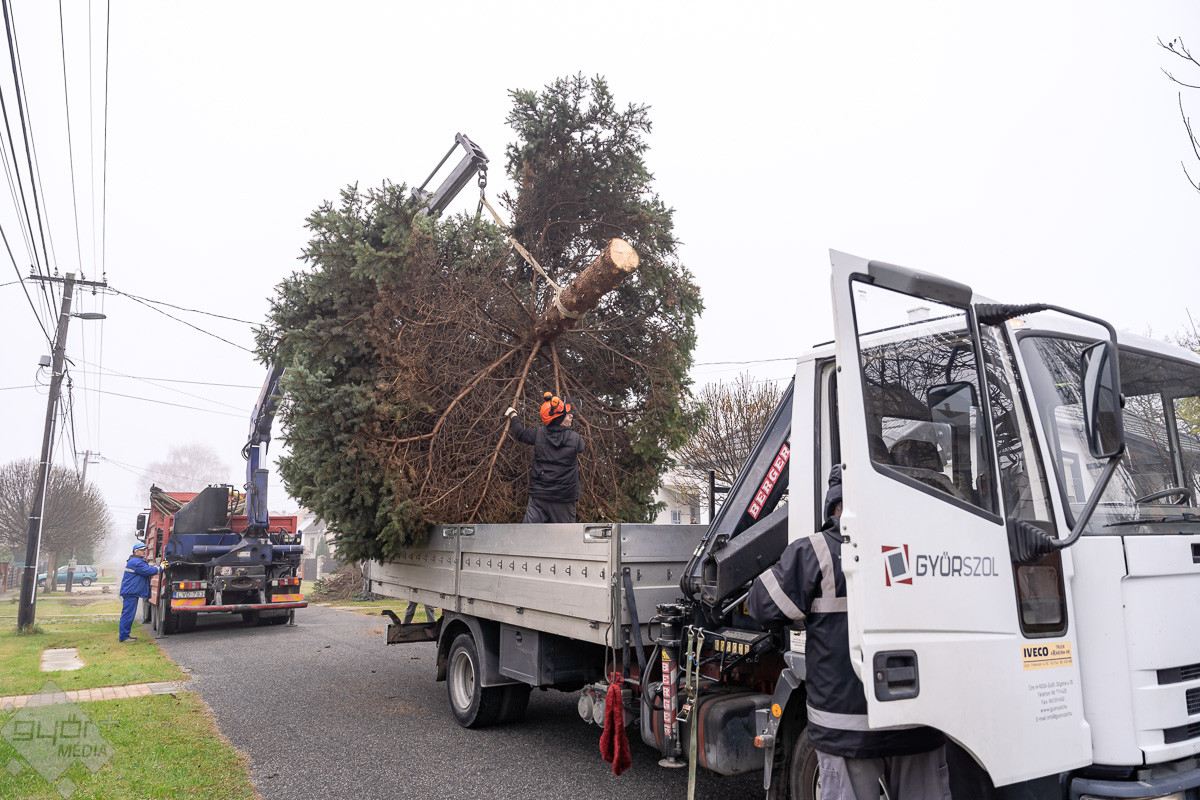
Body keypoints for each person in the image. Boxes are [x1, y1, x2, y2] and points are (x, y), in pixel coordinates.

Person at [747, 466, 950, 800]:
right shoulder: (918, 547)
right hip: (915, 719)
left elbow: (761, 605)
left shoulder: (816, 552)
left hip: (845, 726)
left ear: (835, 505)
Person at [505, 392, 585, 523]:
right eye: (567, 414)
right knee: (565, 535)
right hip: (564, 499)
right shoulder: (576, 439)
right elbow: (581, 448)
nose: (571, 415)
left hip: (539, 497)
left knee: (528, 534)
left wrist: (513, 415)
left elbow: (520, 434)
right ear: (559, 419)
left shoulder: (538, 435)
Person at [119, 543, 165, 643]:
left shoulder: (136, 561)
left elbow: (147, 569)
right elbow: (149, 571)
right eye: (141, 550)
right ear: (136, 552)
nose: (144, 551)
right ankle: (124, 637)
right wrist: (161, 567)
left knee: (128, 614)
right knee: (128, 615)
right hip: (130, 592)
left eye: (145, 549)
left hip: (131, 592)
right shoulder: (136, 562)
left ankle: (125, 636)